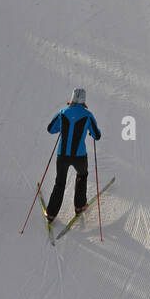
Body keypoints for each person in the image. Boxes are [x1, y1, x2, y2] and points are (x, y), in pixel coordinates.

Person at [45, 88, 101, 222]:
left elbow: (51, 129)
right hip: (79, 157)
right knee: (82, 176)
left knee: (60, 183)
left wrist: (62, 128)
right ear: (84, 101)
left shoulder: (63, 112)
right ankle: (79, 206)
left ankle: (51, 213)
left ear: (72, 98)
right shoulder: (88, 115)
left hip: (62, 156)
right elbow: (96, 135)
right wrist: (90, 132)